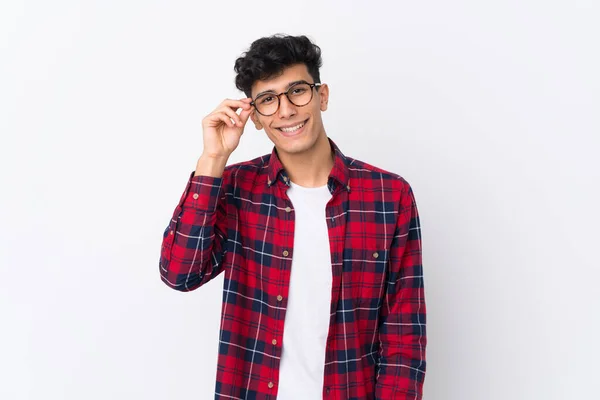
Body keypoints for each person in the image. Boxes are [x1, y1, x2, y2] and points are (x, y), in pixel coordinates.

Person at [159, 34, 427, 399]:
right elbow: (180, 273)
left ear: (322, 96)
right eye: (268, 100)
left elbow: (404, 334)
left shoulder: (388, 196)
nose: (285, 110)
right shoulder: (236, 188)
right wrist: (212, 161)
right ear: (254, 116)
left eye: (297, 91)